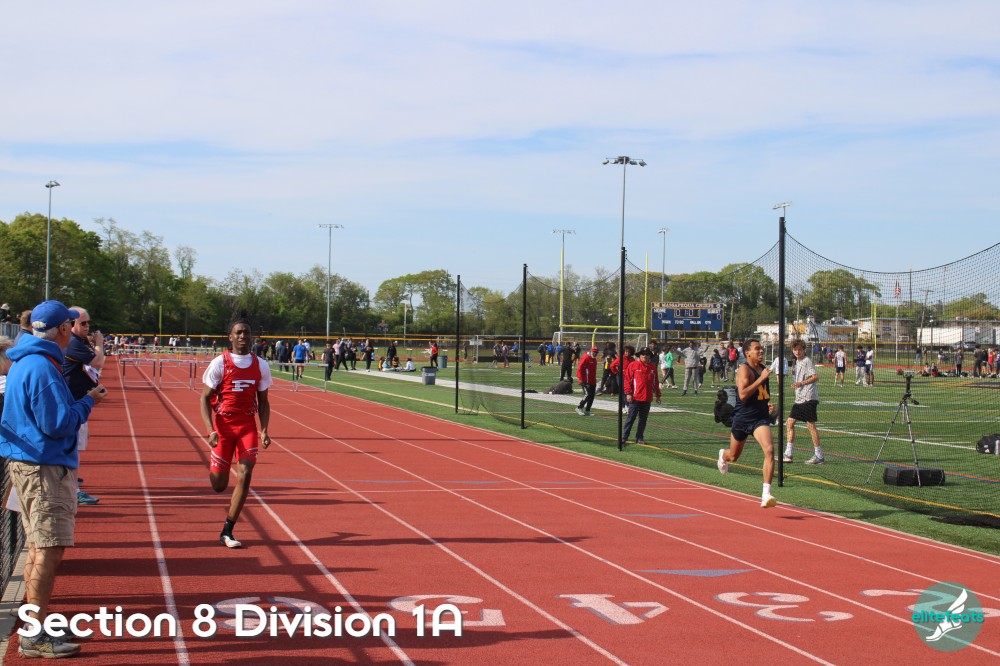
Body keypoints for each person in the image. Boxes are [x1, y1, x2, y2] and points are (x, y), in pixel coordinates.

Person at [0, 301, 108, 657]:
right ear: (63, 329)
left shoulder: (24, 361)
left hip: (30, 463)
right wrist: (88, 402)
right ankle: (33, 633)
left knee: (38, 546)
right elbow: (57, 424)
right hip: (44, 467)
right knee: (48, 548)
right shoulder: (42, 367)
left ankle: (36, 621)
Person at [199, 315, 272, 549]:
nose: (242, 336)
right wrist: (210, 430)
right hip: (223, 426)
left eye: (246, 332)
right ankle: (216, 463)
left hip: (247, 426)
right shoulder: (219, 363)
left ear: (252, 336)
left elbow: (264, 402)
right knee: (218, 485)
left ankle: (228, 529)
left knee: (245, 473)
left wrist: (264, 430)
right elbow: (204, 398)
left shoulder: (261, 365)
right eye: (238, 332)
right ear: (230, 337)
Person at [717, 338, 778, 508]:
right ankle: (723, 455)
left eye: (761, 348)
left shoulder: (763, 369)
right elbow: (743, 395)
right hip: (743, 419)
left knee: (769, 449)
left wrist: (766, 403)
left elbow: (760, 393)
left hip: (760, 418)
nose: (761, 351)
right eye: (757, 349)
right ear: (747, 353)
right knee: (733, 456)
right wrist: (761, 379)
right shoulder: (744, 369)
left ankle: (766, 494)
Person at [60, 307, 105, 505]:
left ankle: (71, 482)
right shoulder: (73, 343)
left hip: (78, 401)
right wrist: (100, 343)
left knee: (74, 447)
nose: (87, 327)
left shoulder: (77, 341)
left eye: (88, 323)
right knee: (73, 448)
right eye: (83, 323)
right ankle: (73, 490)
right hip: (73, 402)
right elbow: (98, 362)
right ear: (70, 325)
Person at [783, 339, 824, 465]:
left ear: (804, 350)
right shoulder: (797, 362)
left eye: (800, 350)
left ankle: (819, 455)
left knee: (810, 426)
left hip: (808, 398)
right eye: (795, 350)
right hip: (799, 398)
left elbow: (815, 376)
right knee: (789, 423)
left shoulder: (806, 361)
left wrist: (801, 383)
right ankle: (788, 454)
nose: (797, 352)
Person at [622, 347, 661, 444]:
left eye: (647, 354)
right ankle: (624, 437)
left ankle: (639, 437)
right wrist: (628, 393)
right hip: (635, 397)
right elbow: (627, 380)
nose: (644, 356)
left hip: (647, 398)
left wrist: (658, 395)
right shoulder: (633, 365)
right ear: (639, 355)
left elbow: (655, 382)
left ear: (649, 356)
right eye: (643, 354)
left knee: (643, 419)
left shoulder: (652, 367)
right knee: (631, 417)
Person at [575, 345, 599, 416]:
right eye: (594, 352)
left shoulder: (594, 360)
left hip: (592, 380)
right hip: (585, 380)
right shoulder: (586, 357)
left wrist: (594, 379)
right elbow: (580, 368)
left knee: (592, 396)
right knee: (588, 394)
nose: (595, 353)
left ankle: (587, 410)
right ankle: (579, 407)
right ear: (591, 351)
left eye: (596, 352)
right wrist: (580, 378)